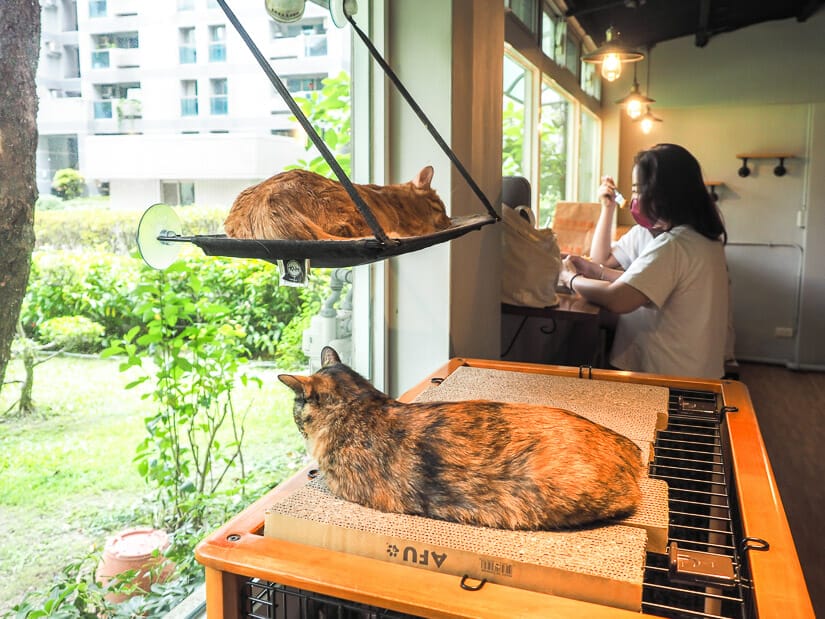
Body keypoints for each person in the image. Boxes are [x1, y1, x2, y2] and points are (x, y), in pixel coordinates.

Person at [558, 143, 729, 379]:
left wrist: (570, 278)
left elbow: (618, 298)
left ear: (665, 192)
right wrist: (593, 269)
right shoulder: (703, 240)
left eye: (639, 189)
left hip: (667, 376)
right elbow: (644, 285)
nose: (634, 199)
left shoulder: (673, 244)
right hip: (695, 371)